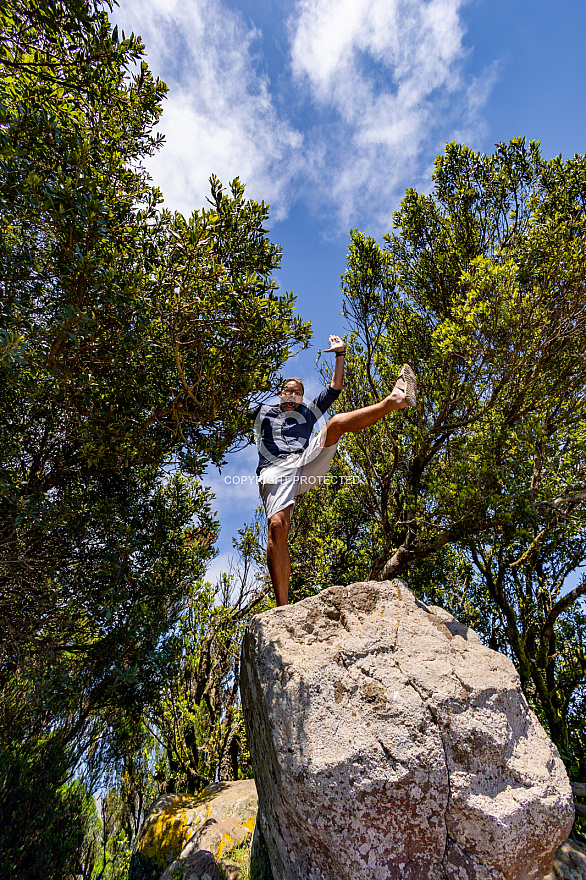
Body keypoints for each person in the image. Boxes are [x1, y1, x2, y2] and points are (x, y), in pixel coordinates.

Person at [253, 335, 416, 606]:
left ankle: (395, 399)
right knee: (278, 526)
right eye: (287, 390)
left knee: (337, 423)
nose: (292, 394)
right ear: (281, 394)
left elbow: (335, 388)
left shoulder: (307, 413)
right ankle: (283, 608)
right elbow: (227, 406)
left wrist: (340, 354)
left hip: (305, 462)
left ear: (302, 397)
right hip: (275, 469)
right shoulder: (264, 412)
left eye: (297, 392)